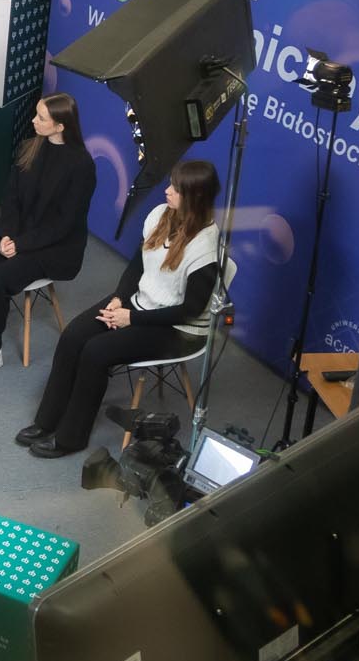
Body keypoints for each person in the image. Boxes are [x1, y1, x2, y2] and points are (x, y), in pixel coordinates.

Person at [17, 159, 226, 458]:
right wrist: (119, 298)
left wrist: (131, 318)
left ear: (195, 197)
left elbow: (189, 311)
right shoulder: (161, 214)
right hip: (140, 303)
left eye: (176, 189)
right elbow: (137, 265)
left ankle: (71, 438)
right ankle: (46, 421)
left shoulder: (205, 248)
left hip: (177, 329)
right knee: (74, 336)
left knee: (96, 351)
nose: (167, 191)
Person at [0, 93, 97, 378]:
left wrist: (20, 244)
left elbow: (63, 224)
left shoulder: (82, 166)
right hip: (14, 234)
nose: (33, 120)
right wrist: (6, 235)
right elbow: (10, 200)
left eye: (41, 118)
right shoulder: (28, 148)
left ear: (60, 126)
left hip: (54, 248)